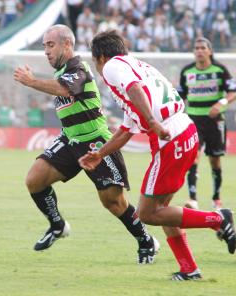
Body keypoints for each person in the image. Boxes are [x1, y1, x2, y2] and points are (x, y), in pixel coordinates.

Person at [79, 30, 236, 280]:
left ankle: (217, 219)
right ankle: (189, 269)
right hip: (185, 129)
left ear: (99, 57)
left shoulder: (113, 67)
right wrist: (100, 153)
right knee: (162, 209)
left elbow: (134, 89)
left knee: (146, 213)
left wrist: (153, 122)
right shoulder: (138, 67)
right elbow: (126, 130)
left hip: (169, 137)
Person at [13, 24, 159, 264]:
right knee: (35, 180)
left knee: (113, 202)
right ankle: (57, 225)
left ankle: (146, 241)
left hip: (97, 141)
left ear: (67, 45)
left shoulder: (79, 68)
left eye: (51, 45)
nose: (46, 51)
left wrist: (31, 82)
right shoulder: (62, 71)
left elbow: (65, 90)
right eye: (44, 47)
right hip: (70, 139)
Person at [178, 37, 236, 210]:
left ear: (210, 51)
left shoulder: (220, 70)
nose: (199, 51)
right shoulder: (186, 72)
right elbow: (180, 96)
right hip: (193, 120)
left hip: (214, 121)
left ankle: (216, 198)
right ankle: (192, 199)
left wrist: (221, 104)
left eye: (203, 48)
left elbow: (233, 92)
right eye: (196, 48)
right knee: (193, 158)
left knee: (215, 161)